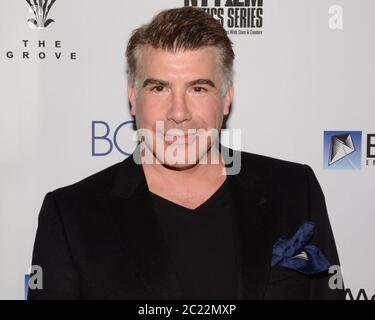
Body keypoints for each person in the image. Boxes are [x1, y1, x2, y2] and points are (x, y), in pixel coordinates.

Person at [28, 6, 345, 300]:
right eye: (159, 88)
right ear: (133, 98)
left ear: (225, 98)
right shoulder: (71, 215)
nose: (178, 113)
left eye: (198, 88)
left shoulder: (295, 190)